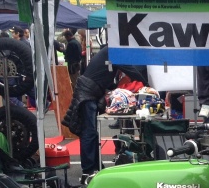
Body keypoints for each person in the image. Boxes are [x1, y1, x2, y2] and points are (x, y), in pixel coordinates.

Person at [61, 46, 148, 175]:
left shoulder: (110, 51)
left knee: (90, 133)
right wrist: (148, 84)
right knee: (89, 133)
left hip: (88, 90)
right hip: (88, 92)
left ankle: (94, 166)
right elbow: (131, 71)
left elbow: (106, 78)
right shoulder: (115, 51)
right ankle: (88, 170)